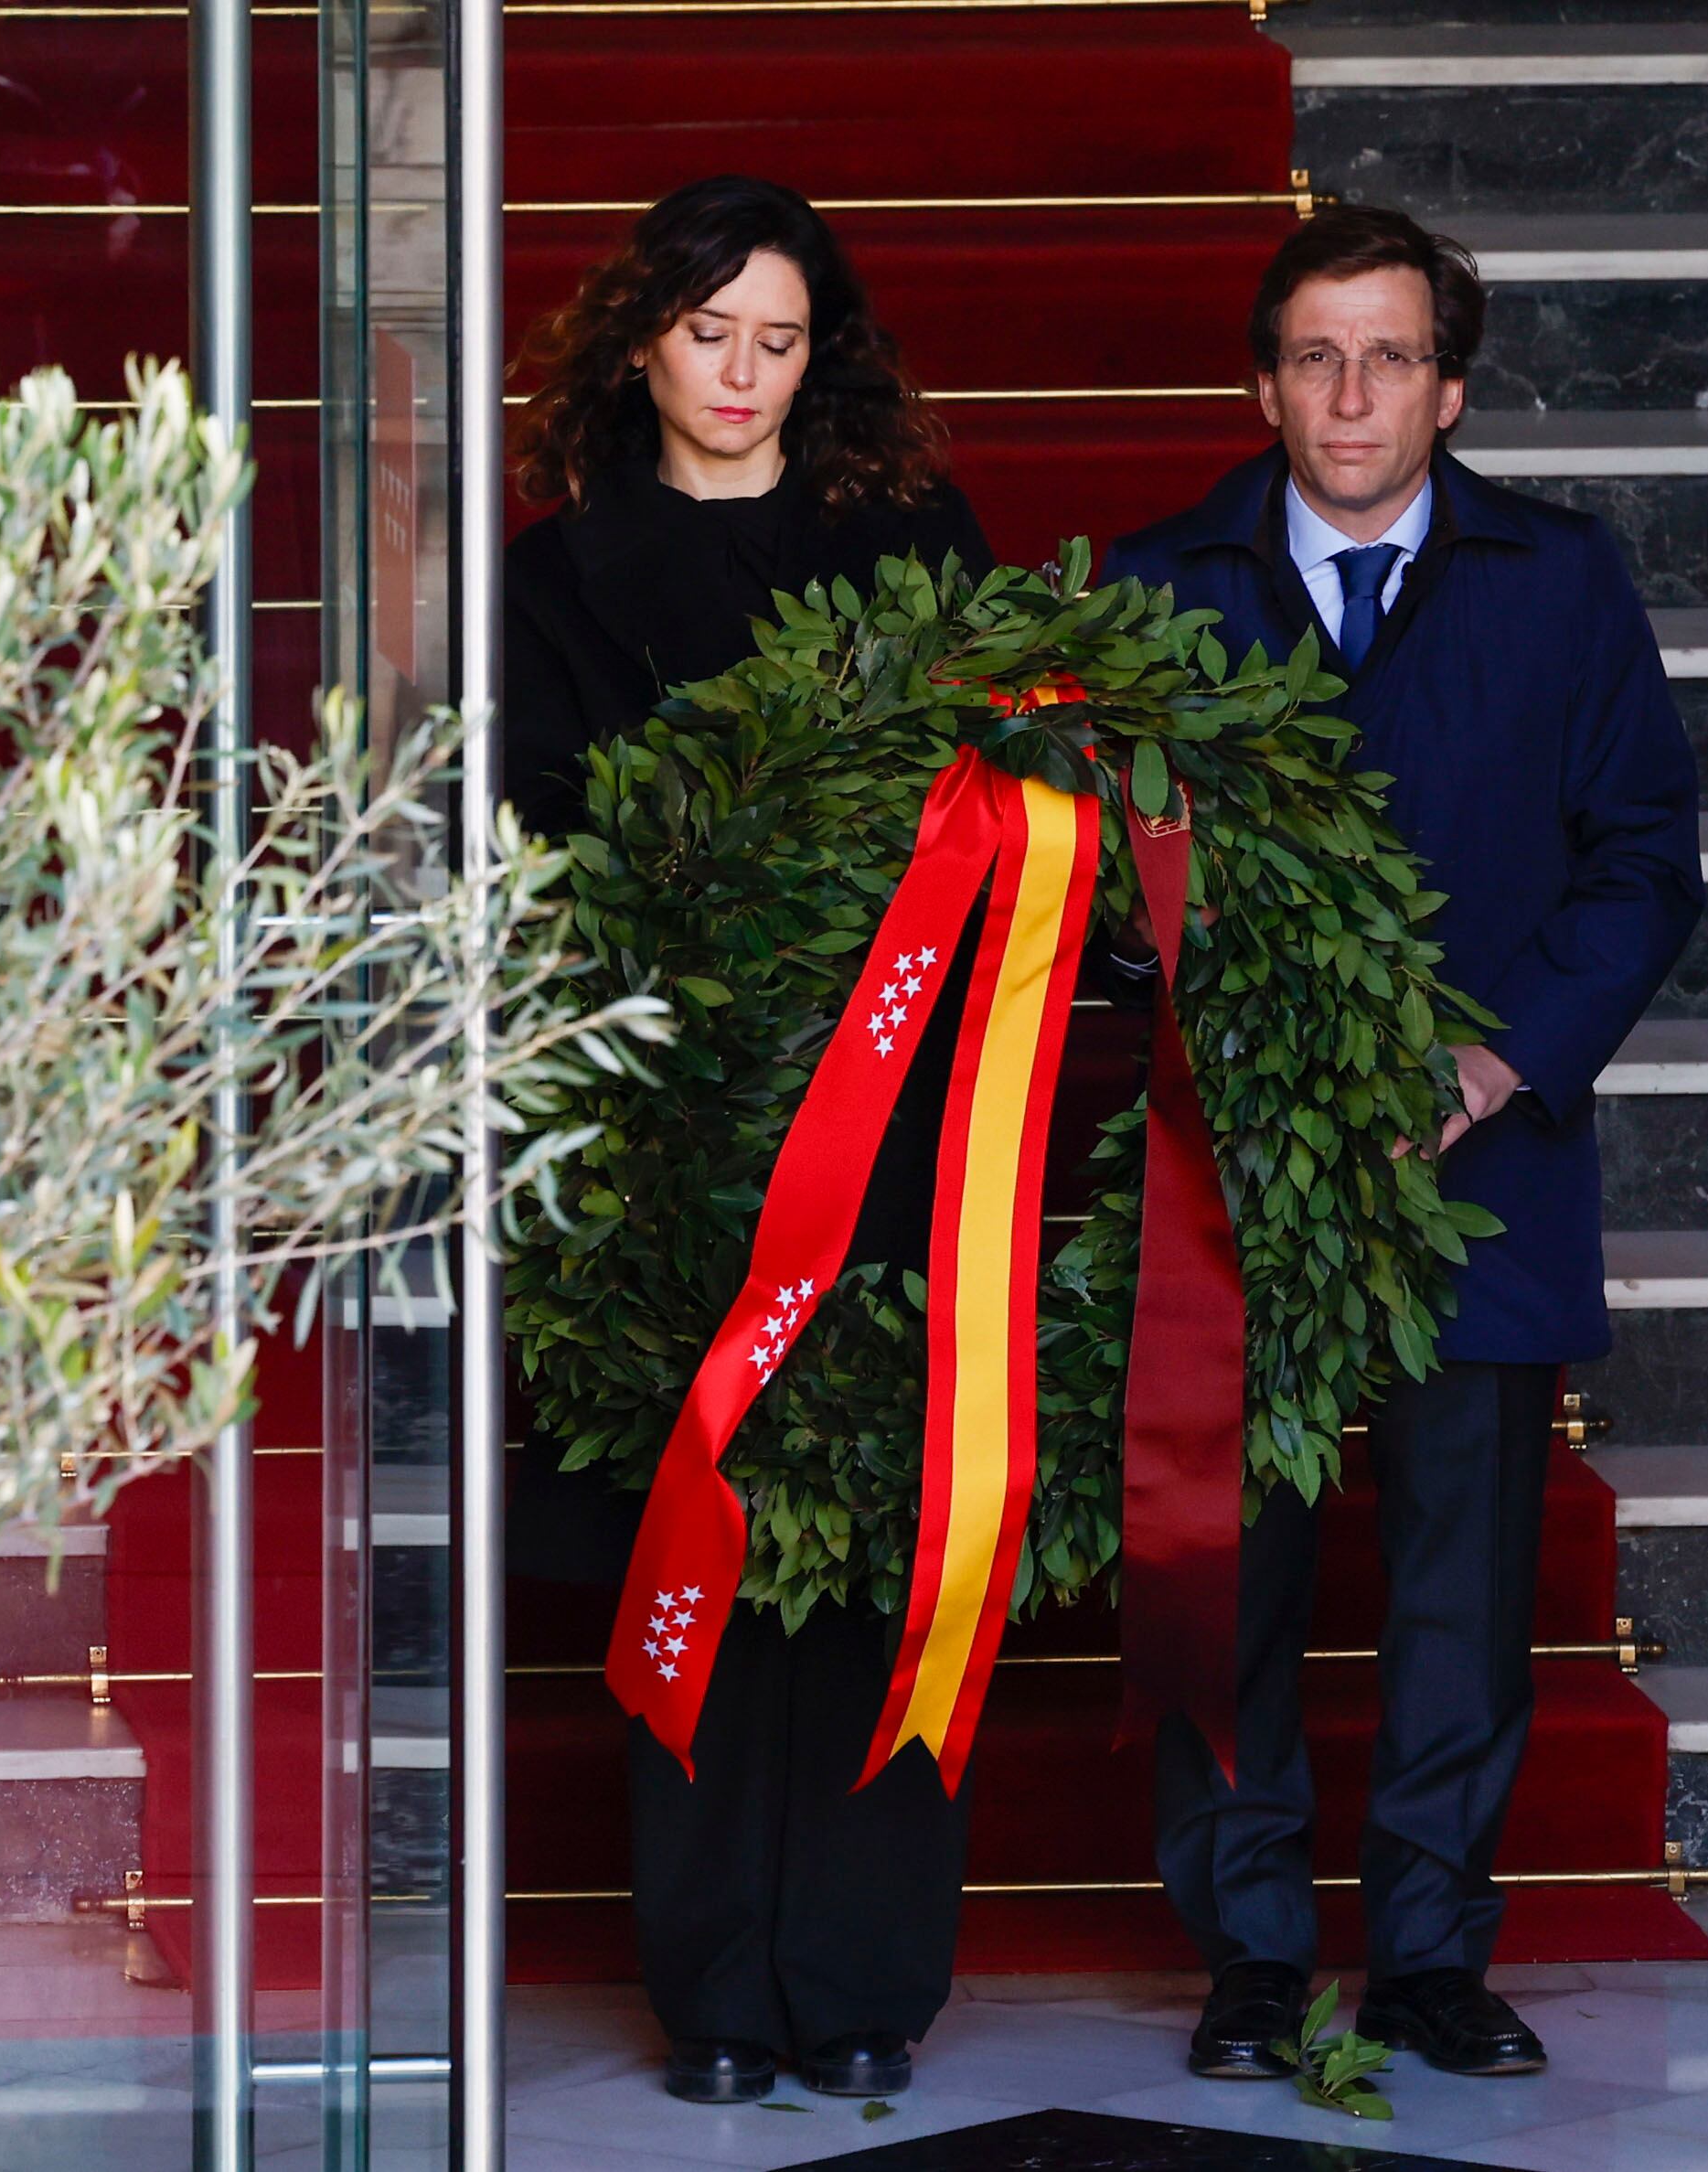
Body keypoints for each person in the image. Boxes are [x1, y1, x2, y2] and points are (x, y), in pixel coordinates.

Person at [1102, 204, 1703, 2081]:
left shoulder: (1558, 581)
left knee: (1458, 1596)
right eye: (1309, 354)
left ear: (1448, 388)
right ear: (1259, 383)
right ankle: (1250, 1957)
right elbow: (1091, 889)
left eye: (1386, 357)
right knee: (1231, 1587)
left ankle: (1431, 1956)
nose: (1346, 392)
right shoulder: (1152, 587)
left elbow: (1641, 865)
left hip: (1480, 1166)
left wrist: (1498, 1059)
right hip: (1235, 1171)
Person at [502, 173, 993, 2108]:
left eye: (777, 339)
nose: (738, 372)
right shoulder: (555, 575)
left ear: (824, 355)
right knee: (692, 1542)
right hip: (675, 1144)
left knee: (876, 1547)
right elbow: (542, 851)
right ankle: (715, 1993)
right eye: (708, 334)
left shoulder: (913, 542)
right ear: (642, 340)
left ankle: (868, 1980)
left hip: (888, 1131)